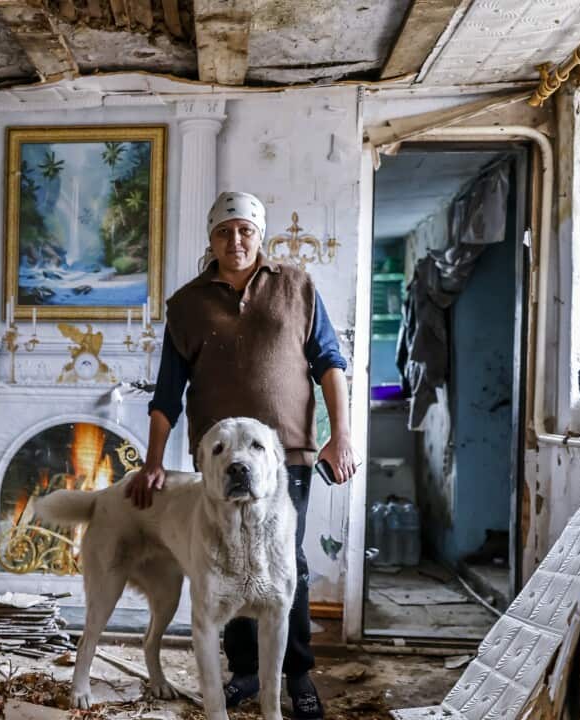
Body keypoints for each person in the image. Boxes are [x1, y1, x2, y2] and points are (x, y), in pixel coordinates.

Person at [126, 191, 358, 720]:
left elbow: (329, 361)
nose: (236, 241)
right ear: (211, 239)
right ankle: (245, 672)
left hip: (285, 456)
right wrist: (154, 459)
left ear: (261, 235)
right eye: (224, 231)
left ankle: (296, 674)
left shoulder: (296, 287)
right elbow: (167, 392)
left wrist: (340, 434)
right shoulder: (187, 305)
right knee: (223, 564)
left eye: (245, 231)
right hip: (216, 459)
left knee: (282, 563)